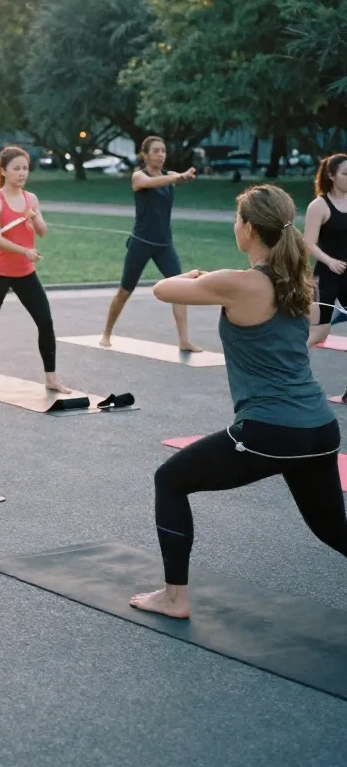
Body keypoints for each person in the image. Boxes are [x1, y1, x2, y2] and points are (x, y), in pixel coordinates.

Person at [129, 184, 347, 620]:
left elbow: (162, 289)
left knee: (170, 479)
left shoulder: (239, 283)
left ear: (248, 228)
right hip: (320, 427)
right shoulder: (297, 282)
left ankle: (175, 597)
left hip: (271, 430)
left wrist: (192, 276)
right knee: (332, 529)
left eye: (236, 220)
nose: (235, 226)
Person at [0, 146, 71, 393]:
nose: (22, 173)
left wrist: (34, 218)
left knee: (46, 322)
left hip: (25, 273)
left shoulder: (31, 199)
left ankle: (51, 379)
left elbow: (42, 232)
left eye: (25, 169)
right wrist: (25, 251)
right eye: (16, 168)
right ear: (4, 171)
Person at [100, 136, 201, 351]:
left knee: (179, 288)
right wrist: (178, 177)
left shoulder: (170, 176)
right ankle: (106, 333)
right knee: (125, 290)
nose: (161, 155)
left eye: (163, 151)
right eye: (155, 151)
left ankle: (184, 340)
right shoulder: (139, 176)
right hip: (141, 243)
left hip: (164, 244)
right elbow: (149, 183)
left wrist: (186, 175)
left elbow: (179, 179)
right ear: (144, 155)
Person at [303, 153, 347, 348]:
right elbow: (309, 243)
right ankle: (286, 365)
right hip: (327, 276)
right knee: (319, 334)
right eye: (346, 174)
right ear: (331, 175)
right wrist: (330, 261)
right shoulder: (319, 206)